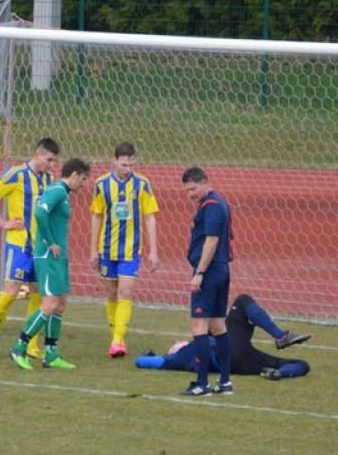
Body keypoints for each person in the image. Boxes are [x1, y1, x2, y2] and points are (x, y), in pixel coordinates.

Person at [0, 138, 61, 361]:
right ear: (38, 155)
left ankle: (31, 345)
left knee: (38, 294)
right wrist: (2, 223)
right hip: (19, 245)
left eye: (54, 161)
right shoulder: (16, 174)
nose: (52, 165)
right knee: (11, 292)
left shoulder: (50, 180)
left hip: (40, 247)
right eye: (50, 160)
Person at [9, 158, 92, 370]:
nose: (83, 185)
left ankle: (51, 354)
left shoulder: (63, 193)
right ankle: (19, 348)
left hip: (59, 257)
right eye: (82, 180)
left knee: (61, 302)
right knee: (50, 304)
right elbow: (40, 212)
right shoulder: (56, 190)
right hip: (48, 256)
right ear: (73, 175)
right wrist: (48, 241)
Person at [89, 142, 159, 358]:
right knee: (111, 293)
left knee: (126, 292)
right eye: (124, 165)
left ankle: (118, 341)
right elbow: (97, 215)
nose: (128, 169)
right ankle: (115, 337)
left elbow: (149, 216)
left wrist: (153, 250)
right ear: (114, 161)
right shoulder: (101, 184)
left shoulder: (142, 184)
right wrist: (93, 249)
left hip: (130, 250)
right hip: (107, 249)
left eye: (131, 165)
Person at [135, 293, 312, 379]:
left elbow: (141, 362)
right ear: (174, 351)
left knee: (302, 364)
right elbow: (143, 362)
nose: (176, 342)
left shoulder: (182, 360)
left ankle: (277, 373)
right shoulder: (183, 354)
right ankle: (280, 337)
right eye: (174, 344)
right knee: (242, 301)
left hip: (237, 363)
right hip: (228, 351)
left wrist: (149, 357)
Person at [179, 166, 233, 396]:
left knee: (199, 326)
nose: (190, 194)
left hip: (209, 272)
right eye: (187, 190)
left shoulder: (210, 206)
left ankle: (202, 383)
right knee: (217, 325)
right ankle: (225, 382)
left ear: (205, 182)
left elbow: (211, 241)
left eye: (193, 188)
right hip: (221, 269)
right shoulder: (219, 202)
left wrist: (199, 272)